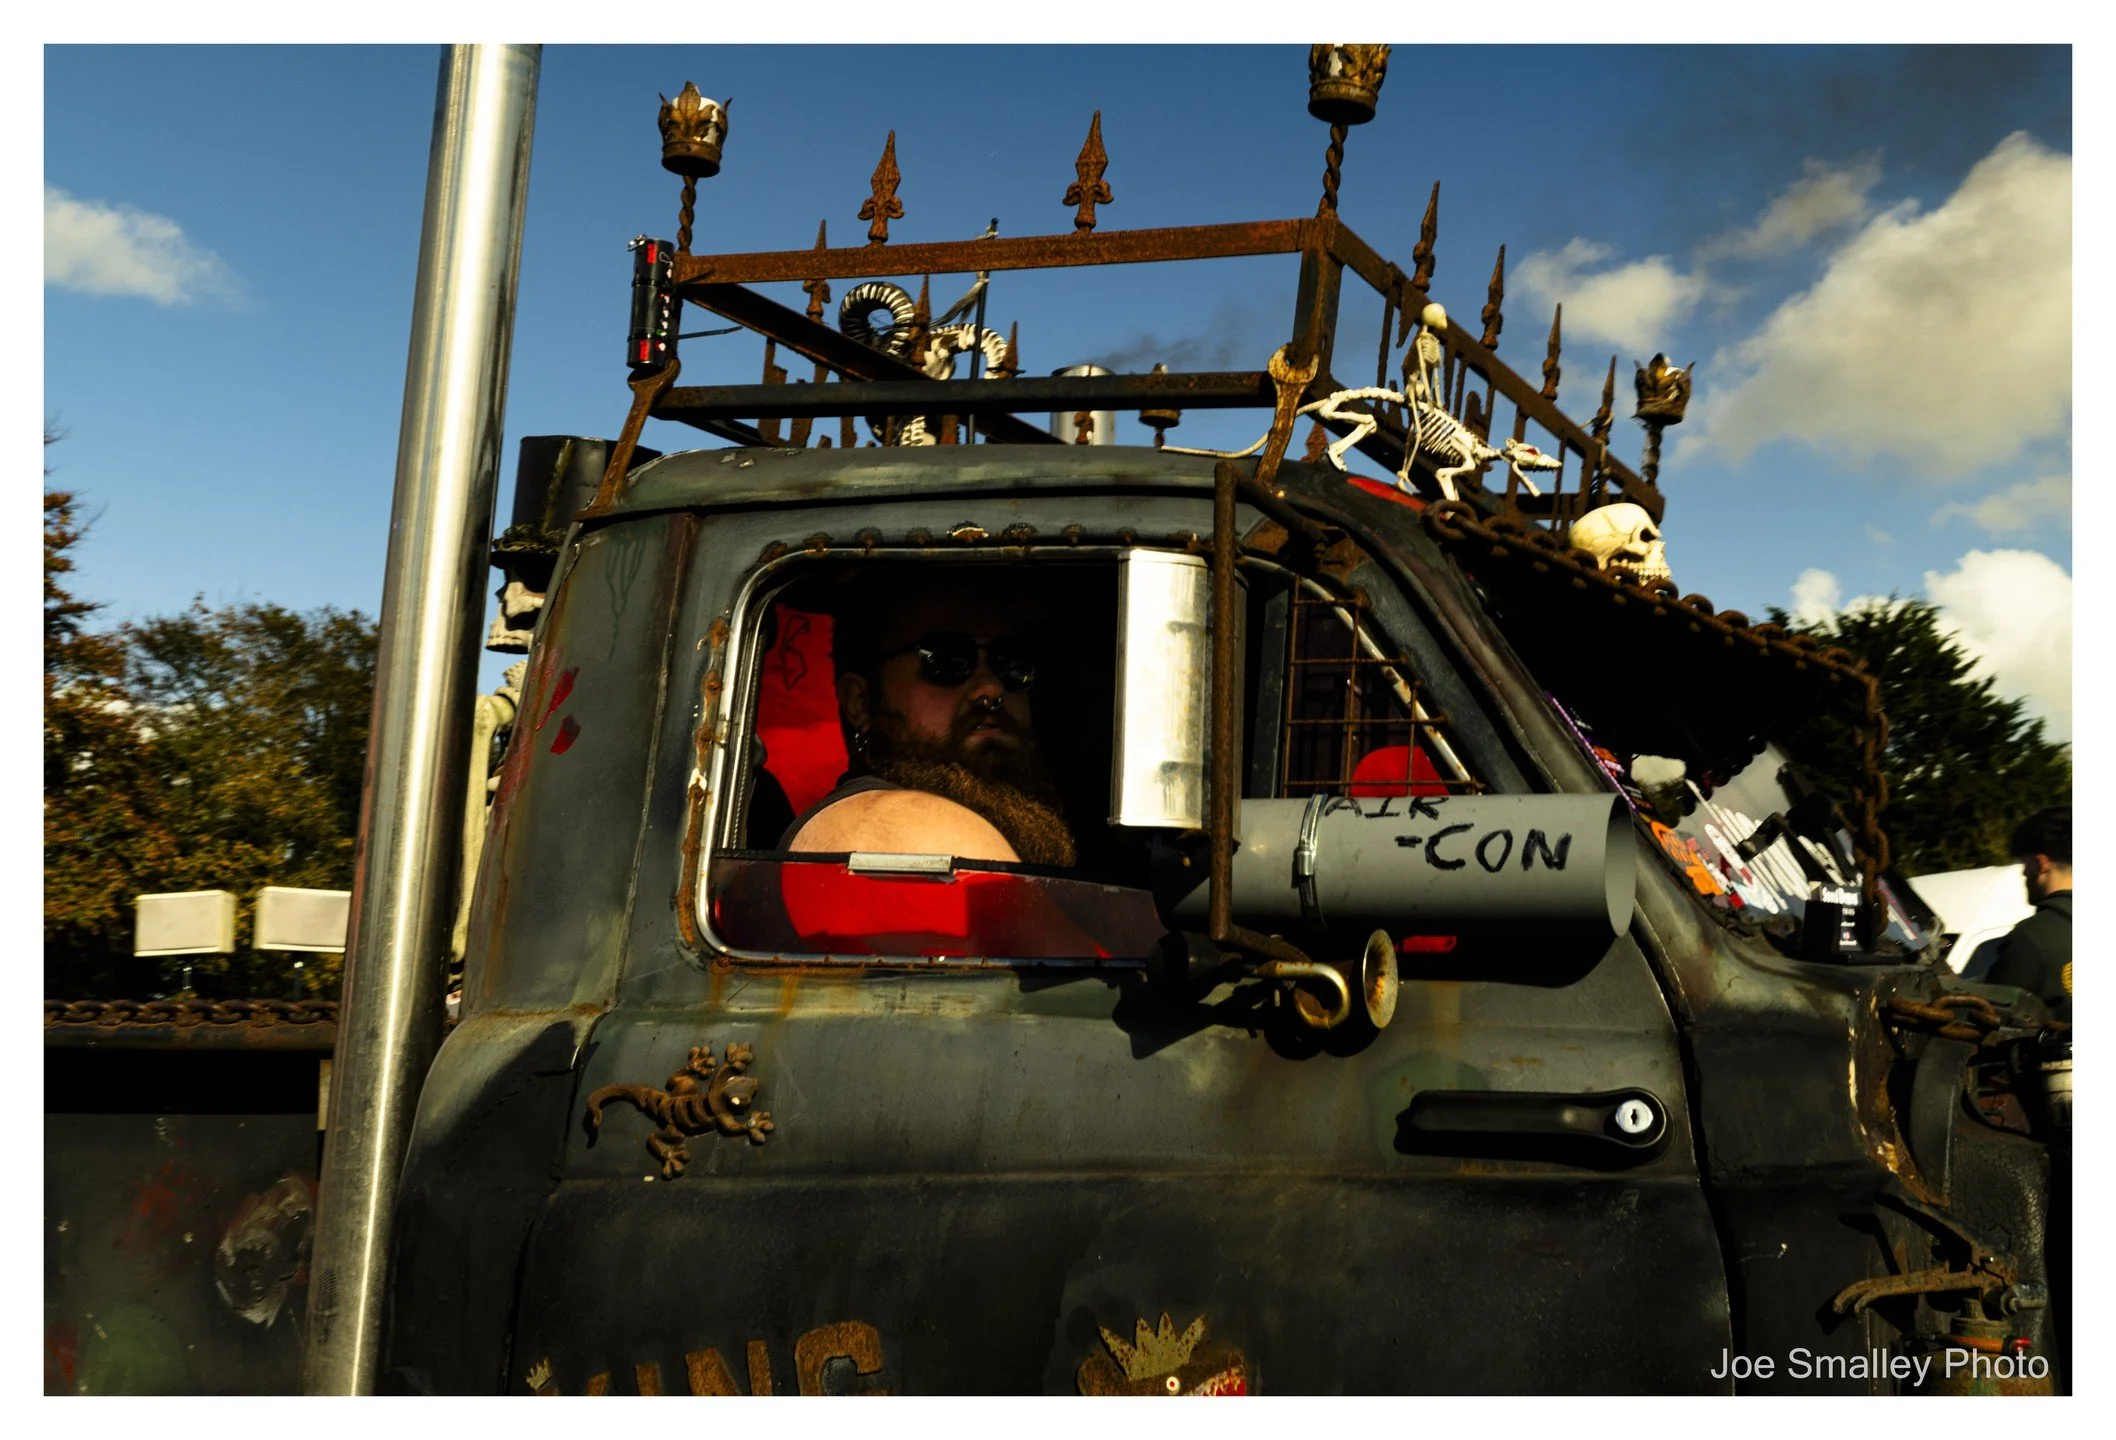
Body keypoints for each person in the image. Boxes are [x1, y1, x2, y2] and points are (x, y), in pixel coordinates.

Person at [779, 572, 1078, 867]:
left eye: (1011, 660)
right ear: (861, 702)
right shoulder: (879, 827)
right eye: (947, 658)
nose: (991, 688)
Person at [1985, 806, 2071, 1022]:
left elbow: (1990, 1020)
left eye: (2024, 863)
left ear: (2041, 863)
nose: (2023, 872)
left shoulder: (2032, 937)